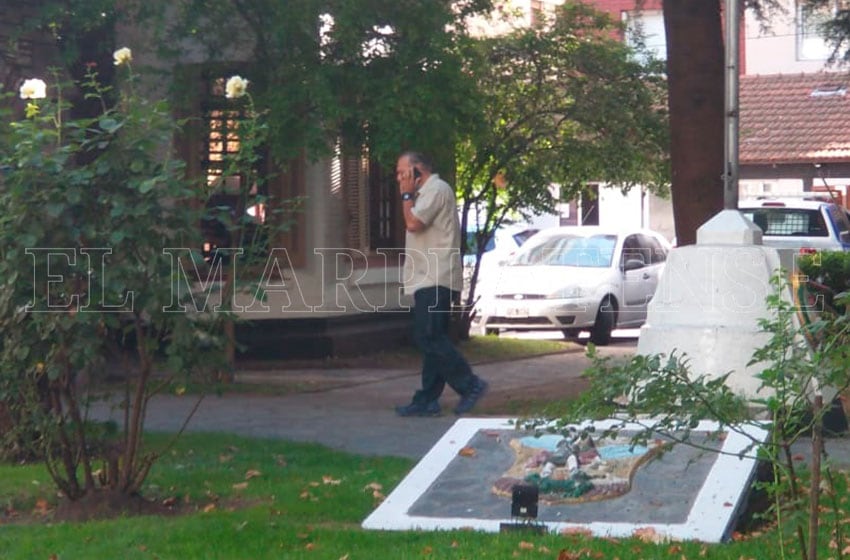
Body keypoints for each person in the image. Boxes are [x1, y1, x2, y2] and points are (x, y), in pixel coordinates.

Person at [394, 151, 488, 417]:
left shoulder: (436, 189)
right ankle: (427, 399)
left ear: (417, 171)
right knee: (431, 337)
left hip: (436, 277)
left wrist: (406, 195)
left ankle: (470, 384)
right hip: (427, 276)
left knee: (428, 336)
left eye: (403, 173)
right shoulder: (425, 194)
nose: (399, 178)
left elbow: (413, 223)